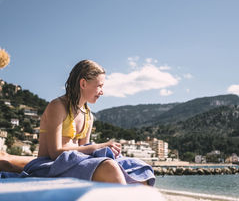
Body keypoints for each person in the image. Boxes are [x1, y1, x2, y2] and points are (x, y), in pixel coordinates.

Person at [23, 60, 155, 185]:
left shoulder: (88, 115)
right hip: (48, 165)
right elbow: (55, 152)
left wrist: (105, 150)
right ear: (83, 84)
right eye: (99, 86)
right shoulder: (57, 106)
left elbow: (84, 150)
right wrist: (99, 146)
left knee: (141, 168)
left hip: (75, 163)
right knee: (110, 167)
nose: (102, 92)